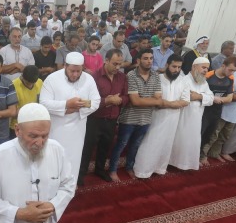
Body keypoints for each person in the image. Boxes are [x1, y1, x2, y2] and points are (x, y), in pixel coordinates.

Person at [40, 52, 100, 184]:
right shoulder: (52, 78)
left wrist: (77, 107)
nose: (75, 74)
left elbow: (95, 102)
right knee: (54, 158)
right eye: (72, 71)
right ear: (65, 66)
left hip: (78, 129)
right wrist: (66, 105)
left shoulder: (88, 79)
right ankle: (51, 186)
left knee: (74, 158)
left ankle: (70, 186)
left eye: (78, 71)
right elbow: (43, 103)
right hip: (57, 129)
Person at [108, 49, 162, 182]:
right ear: (138, 61)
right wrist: (150, 100)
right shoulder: (131, 75)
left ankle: (129, 167)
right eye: (145, 58)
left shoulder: (155, 76)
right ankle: (112, 169)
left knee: (135, 145)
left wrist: (144, 99)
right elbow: (135, 101)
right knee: (121, 144)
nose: (149, 61)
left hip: (146, 119)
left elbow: (159, 99)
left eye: (151, 58)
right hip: (129, 118)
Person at [134, 54, 189, 178]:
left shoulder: (183, 80)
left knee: (166, 143)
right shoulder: (156, 78)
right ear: (167, 65)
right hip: (156, 117)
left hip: (173, 119)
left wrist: (165, 103)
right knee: (151, 142)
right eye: (174, 66)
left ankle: (159, 168)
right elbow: (154, 101)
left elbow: (185, 101)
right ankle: (143, 171)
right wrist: (173, 104)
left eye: (179, 67)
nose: (177, 70)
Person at [79, 49, 129, 184]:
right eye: (115, 64)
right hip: (95, 119)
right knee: (87, 148)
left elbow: (126, 97)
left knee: (105, 147)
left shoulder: (122, 77)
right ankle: (80, 174)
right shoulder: (93, 77)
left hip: (112, 120)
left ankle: (100, 170)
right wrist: (107, 101)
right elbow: (87, 101)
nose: (118, 67)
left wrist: (119, 100)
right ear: (106, 60)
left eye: (120, 64)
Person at [169, 57, 214, 171]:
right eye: (203, 67)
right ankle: (174, 163)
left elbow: (211, 99)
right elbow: (185, 97)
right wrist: (202, 97)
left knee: (192, 141)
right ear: (194, 67)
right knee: (180, 139)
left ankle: (187, 163)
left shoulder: (203, 82)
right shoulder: (183, 80)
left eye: (207, 69)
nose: (205, 70)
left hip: (197, 118)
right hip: (183, 116)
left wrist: (198, 96)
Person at [198, 56, 236, 166]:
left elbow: (229, 98)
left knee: (209, 135)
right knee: (199, 133)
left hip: (216, 111)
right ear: (223, 65)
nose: (232, 72)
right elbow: (199, 93)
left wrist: (217, 99)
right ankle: (195, 156)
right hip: (203, 110)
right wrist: (212, 99)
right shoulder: (209, 75)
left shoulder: (231, 78)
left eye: (234, 70)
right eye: (230, 69)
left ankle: (202, 155)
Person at [10, 66, 43, 138]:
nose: (31, 85)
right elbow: (12, 111)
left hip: (36, 125)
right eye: (28, 83)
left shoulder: (40, 82)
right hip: (18, 126)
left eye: (33, 83)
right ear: (22, 76)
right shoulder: (13, 85)